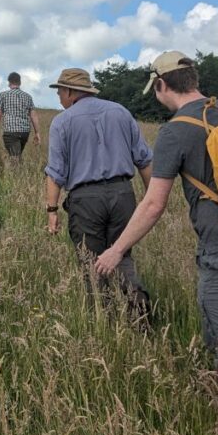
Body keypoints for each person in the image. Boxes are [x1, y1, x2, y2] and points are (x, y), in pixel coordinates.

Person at [94, 51, 218, 419]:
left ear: (162, 85)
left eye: (156, 89)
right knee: (216, 327)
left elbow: (153, 204)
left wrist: (117, 249)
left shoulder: (175, 130)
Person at [44, 67, 153, 324]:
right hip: (123, 195)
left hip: (85, 200)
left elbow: (55, 172)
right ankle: (139, 315)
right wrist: (152, 199)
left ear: (71, 92)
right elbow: (144, 160)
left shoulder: (62, 121)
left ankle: (104, 322)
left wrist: (52, 211)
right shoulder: (121, 112)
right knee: (121, 254)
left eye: (60, 91)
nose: (59, 97)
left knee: (91, 262)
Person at [0, 71, 41, 159]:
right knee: (17, 156)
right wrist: (37, 132)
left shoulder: (3, 95)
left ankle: (16, 172)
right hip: (25, 132)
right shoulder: (28, 96)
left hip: (10, 131)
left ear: (9, 82)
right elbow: (34, 115)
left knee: (14, 159)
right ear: (20, 82)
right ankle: (19, 172)